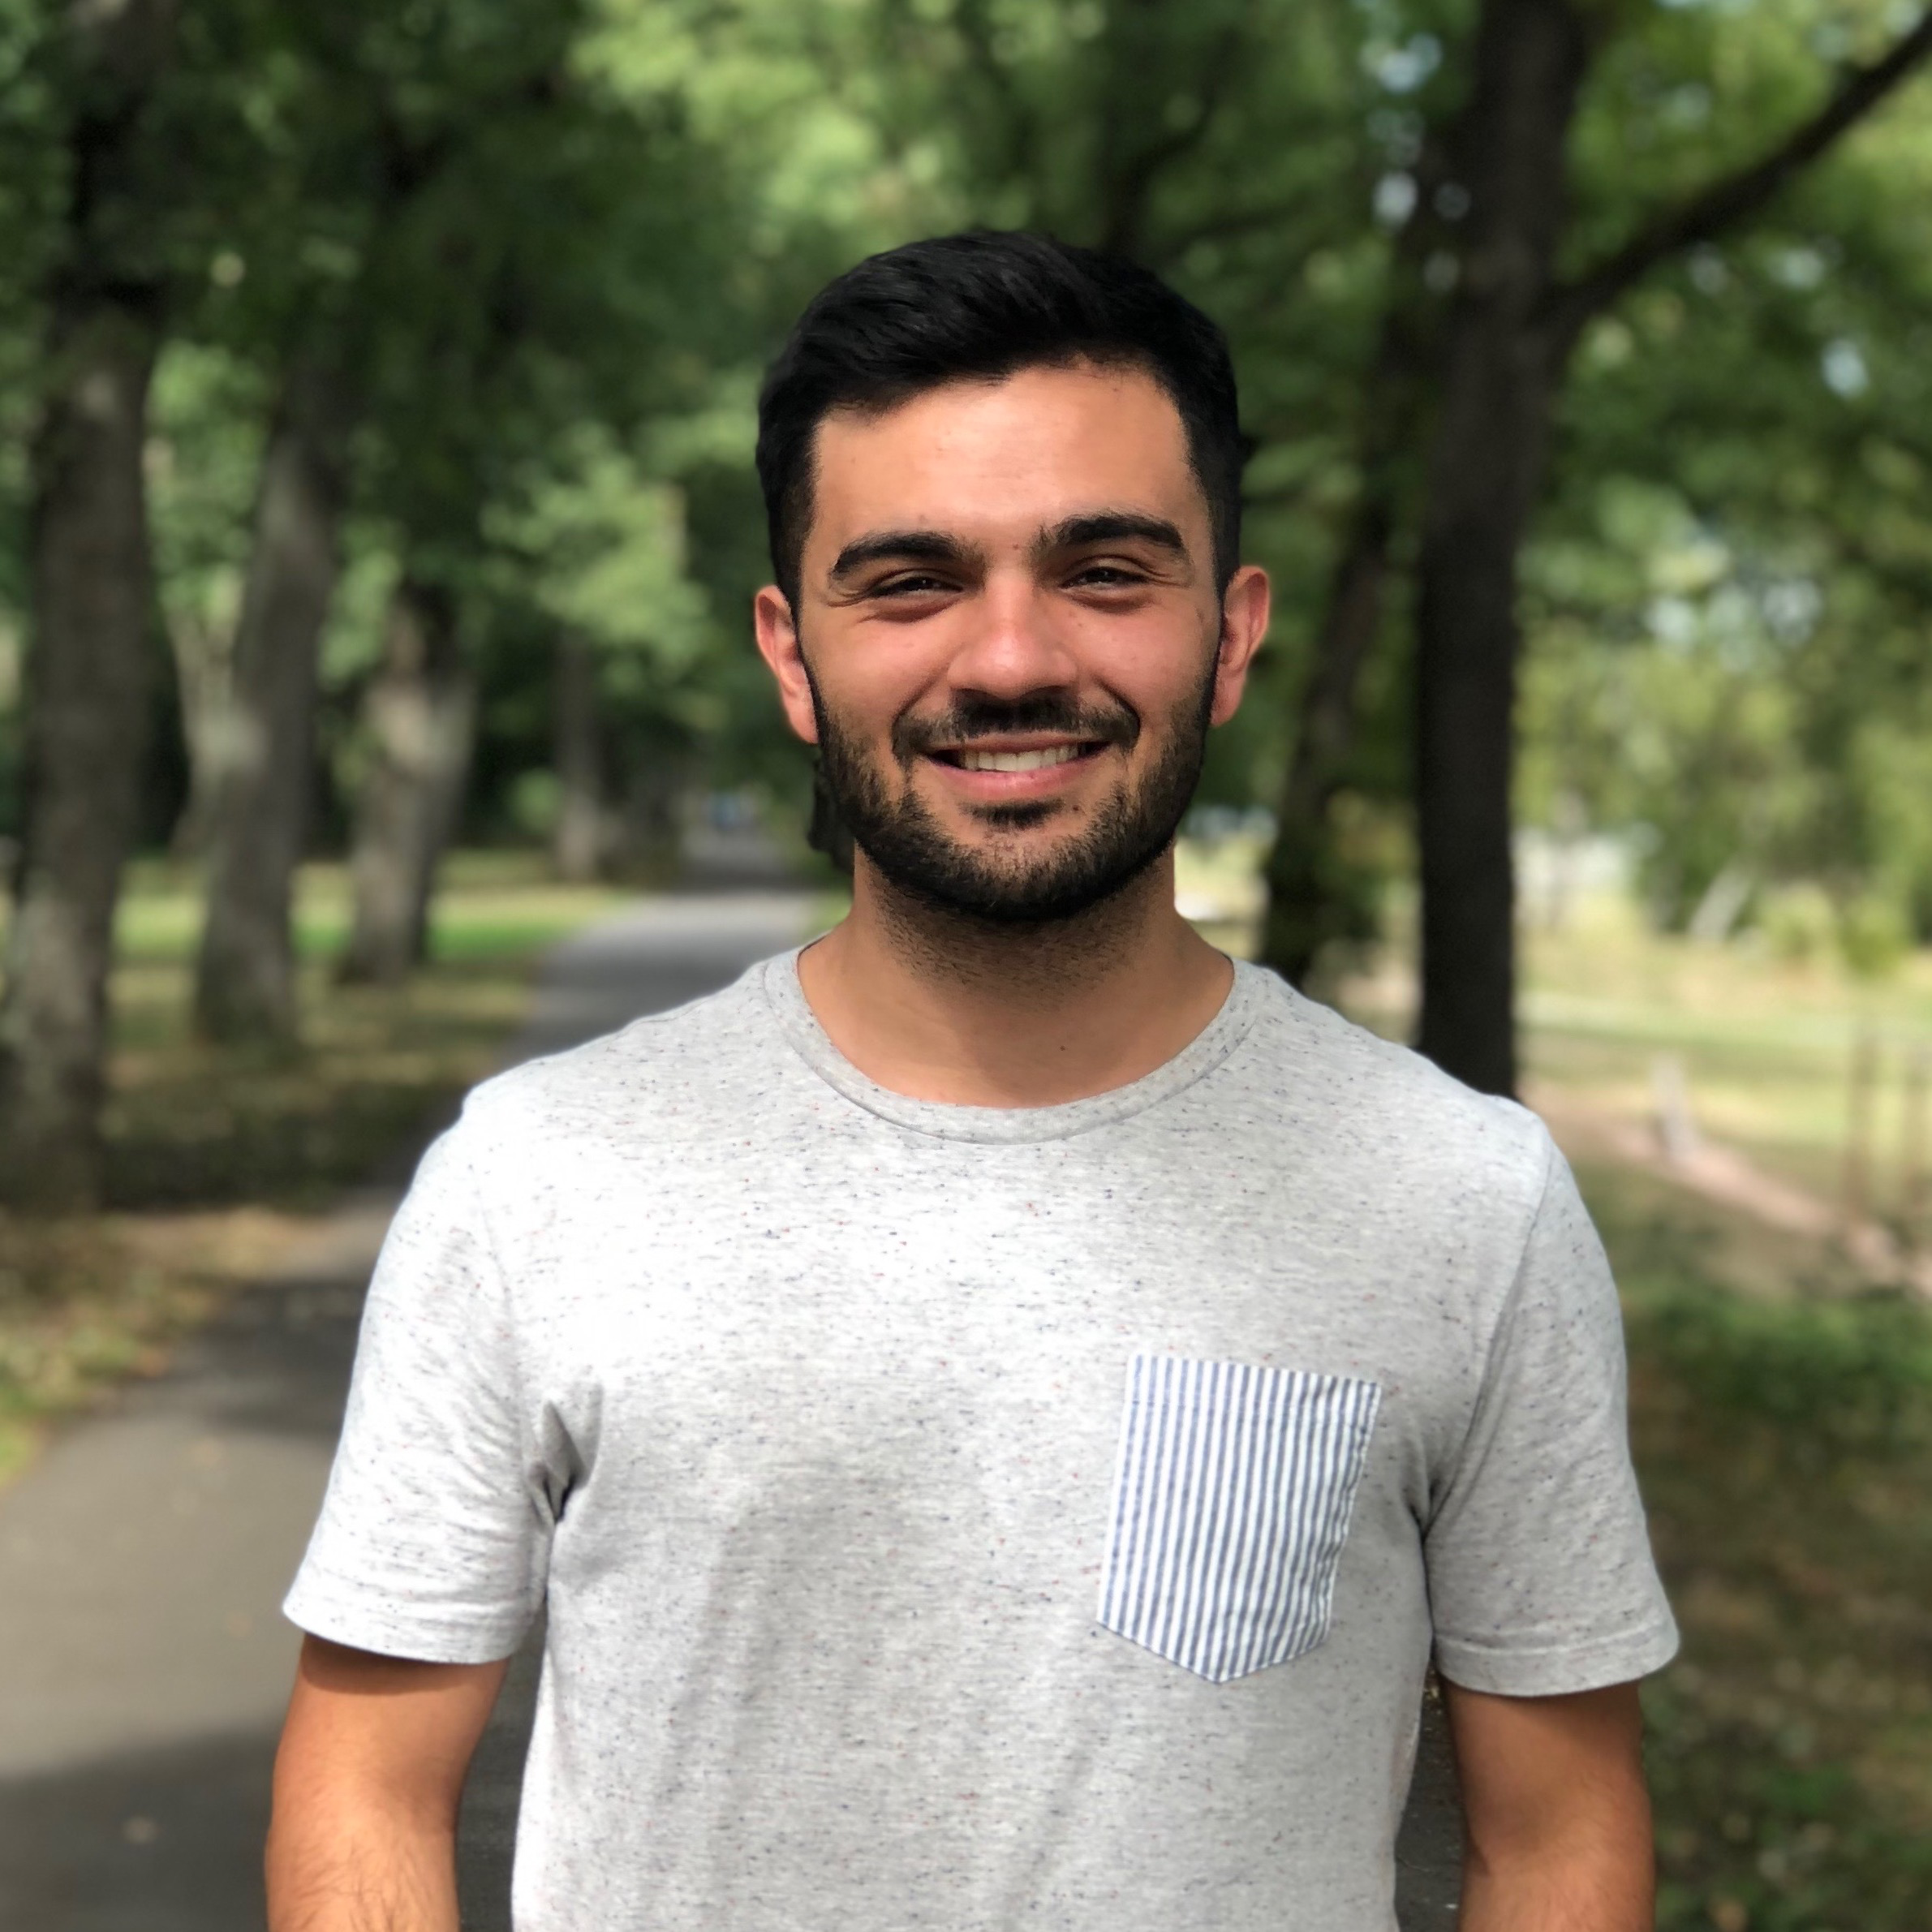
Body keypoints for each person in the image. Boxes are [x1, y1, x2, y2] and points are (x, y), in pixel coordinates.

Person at [268, 231, 1677, 1932]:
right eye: (910, 582)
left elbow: (1556, 1843)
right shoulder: (537, 1178)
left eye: (1105, 571)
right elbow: (365, 1787)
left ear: (1231, 633)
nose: (1008, 659)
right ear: (791, 656)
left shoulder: (1460, 1202)